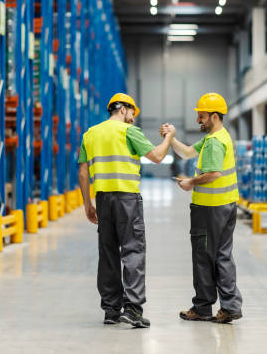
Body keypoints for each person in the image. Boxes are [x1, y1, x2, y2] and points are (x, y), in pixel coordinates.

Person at [78, 93, 176, 328]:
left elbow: (83, 173)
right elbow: (158, 157)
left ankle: (111, 310)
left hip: (102, 200)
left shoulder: (90, 134)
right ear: (122, 109)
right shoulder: (129, 132)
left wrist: (87, 204)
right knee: (133, 252)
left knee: (108, 253)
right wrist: (169, 138)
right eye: (132, 113)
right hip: (127, 199)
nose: (133, 118)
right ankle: (132, 309)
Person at [160, 92, 243, 324]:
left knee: (204, 258)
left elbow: (214, 174)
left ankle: (204, 307)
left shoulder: (215, 142)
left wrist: (191, 182)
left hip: (210, 210)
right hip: (224, 207)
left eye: (202, 116)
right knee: (221, 256)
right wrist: (171, 138)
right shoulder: (216, 137)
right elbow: (187, 152)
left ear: (215, 116)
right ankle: (229, 306)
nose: (198, 120)